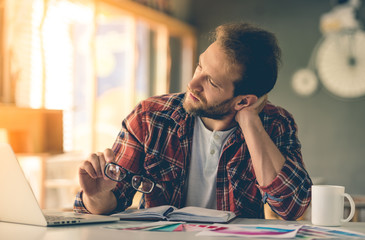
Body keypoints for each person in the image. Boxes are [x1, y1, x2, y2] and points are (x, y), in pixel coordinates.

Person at [74, 22, 312, 220]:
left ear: (243, 101)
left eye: (212, 82)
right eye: (200, 66)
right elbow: (112, 200)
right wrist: (96, 197)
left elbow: (291, 207)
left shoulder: (276, 124)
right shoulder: (150, 117)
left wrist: (250, 122)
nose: (192, 83)